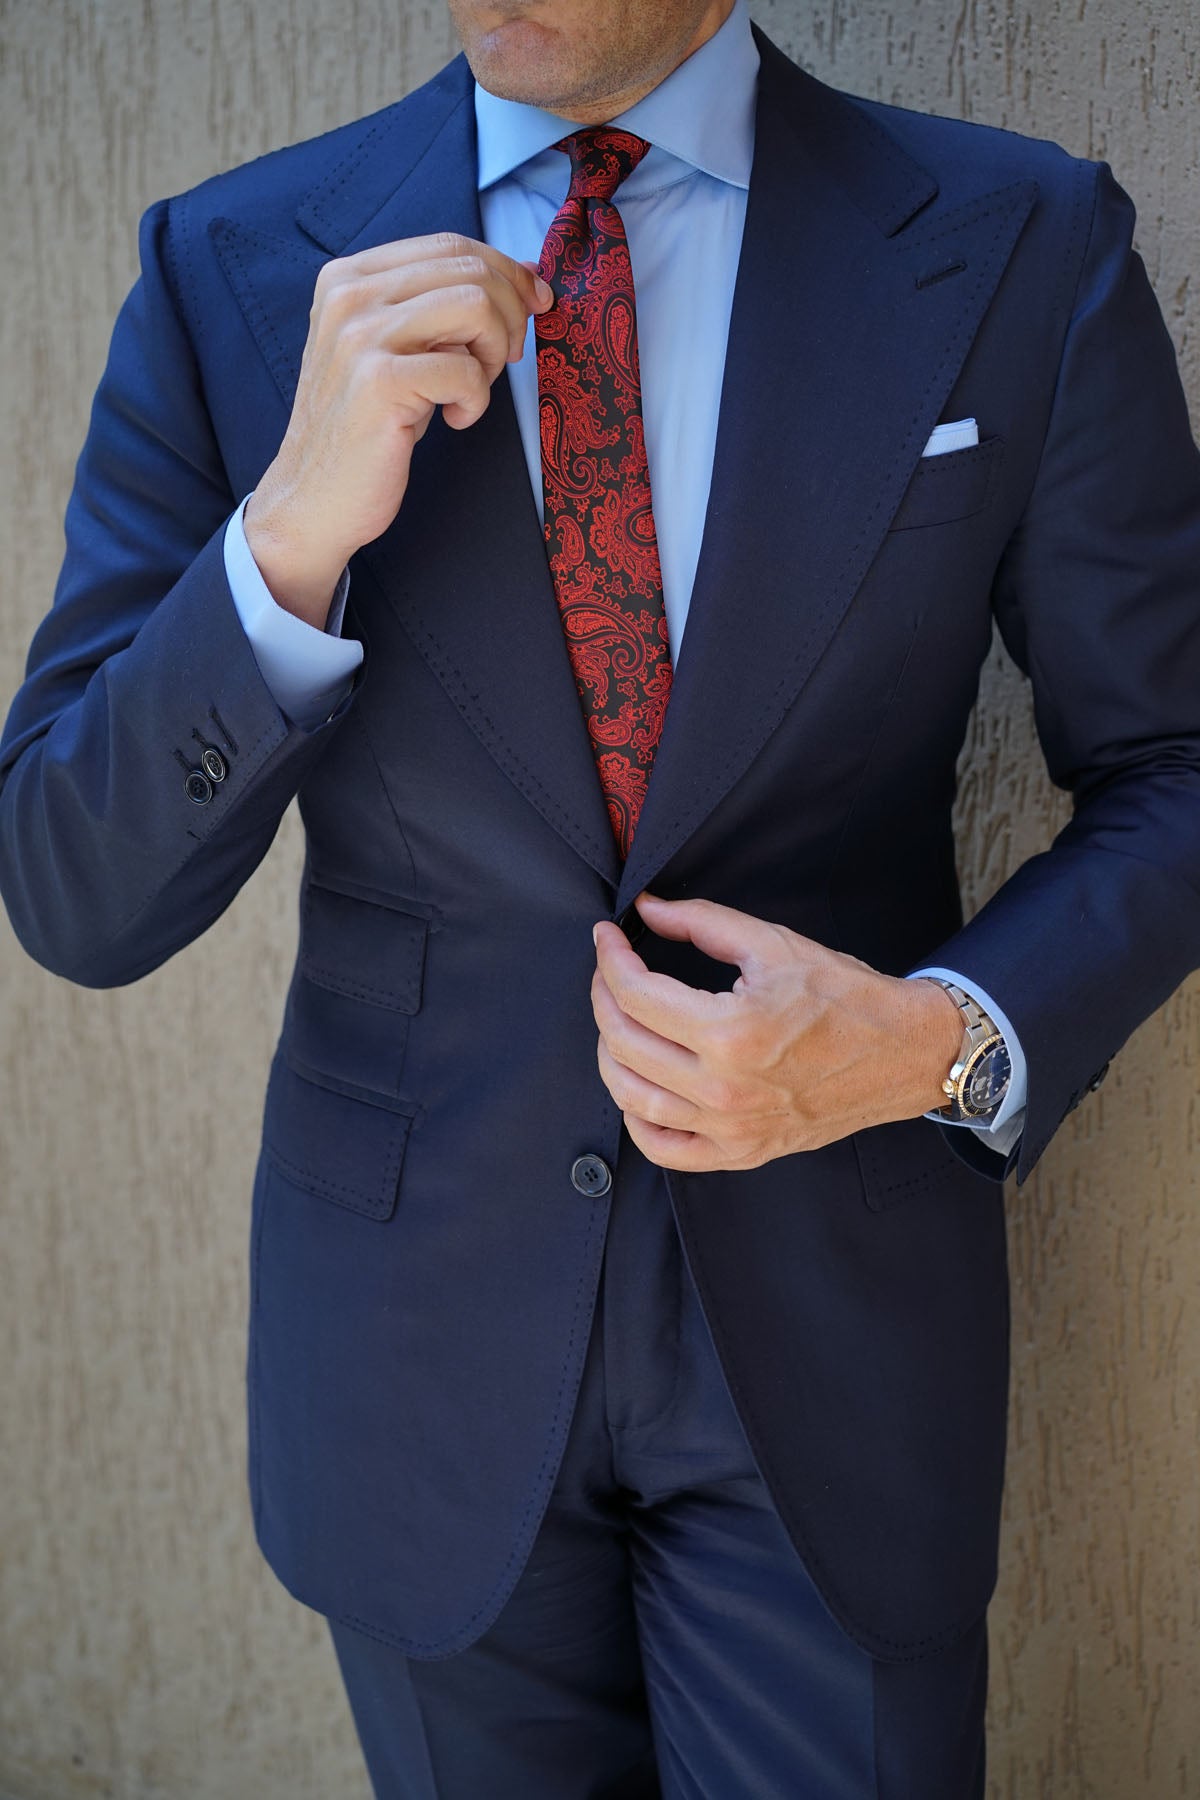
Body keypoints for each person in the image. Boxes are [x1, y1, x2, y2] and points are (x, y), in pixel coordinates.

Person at [2, 0, 1199, 1791]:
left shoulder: (1020, 241)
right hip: (416, 1357)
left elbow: (1176, 770)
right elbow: (73, 892)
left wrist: (932, 1045)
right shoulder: (235, 269)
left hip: (837, 1346)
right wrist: (287, 543)